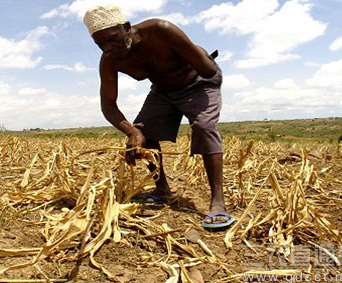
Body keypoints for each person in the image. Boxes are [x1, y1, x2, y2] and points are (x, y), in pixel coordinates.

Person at [83, 5, 235, 229]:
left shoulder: (160, 30)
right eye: (100, 44)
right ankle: (161, 189)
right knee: (145, 131)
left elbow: (208, 71)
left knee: (204, 126)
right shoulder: (109, 60)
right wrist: (132, 132)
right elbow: (108, 105)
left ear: (126, 27)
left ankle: (218, 203)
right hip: (163, 91)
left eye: (113, 39)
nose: (108, 48)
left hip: (198, 82)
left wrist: (192, 58)